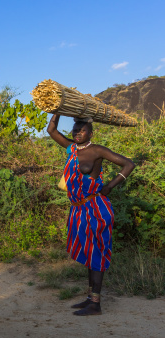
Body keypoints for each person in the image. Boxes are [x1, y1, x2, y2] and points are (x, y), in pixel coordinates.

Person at [47, 114, 135, 315]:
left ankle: (95, 304)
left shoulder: (98, 150)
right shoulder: (71, 149)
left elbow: (129, 164)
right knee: (89, 253)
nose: (78, 133)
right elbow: (51, 130)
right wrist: (58, 110)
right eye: (75, 130)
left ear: (91, 133)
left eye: (82, 130)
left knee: (96, 254)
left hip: (95, 208)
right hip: (79, 209)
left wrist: (110, 186)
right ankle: (89, 299)